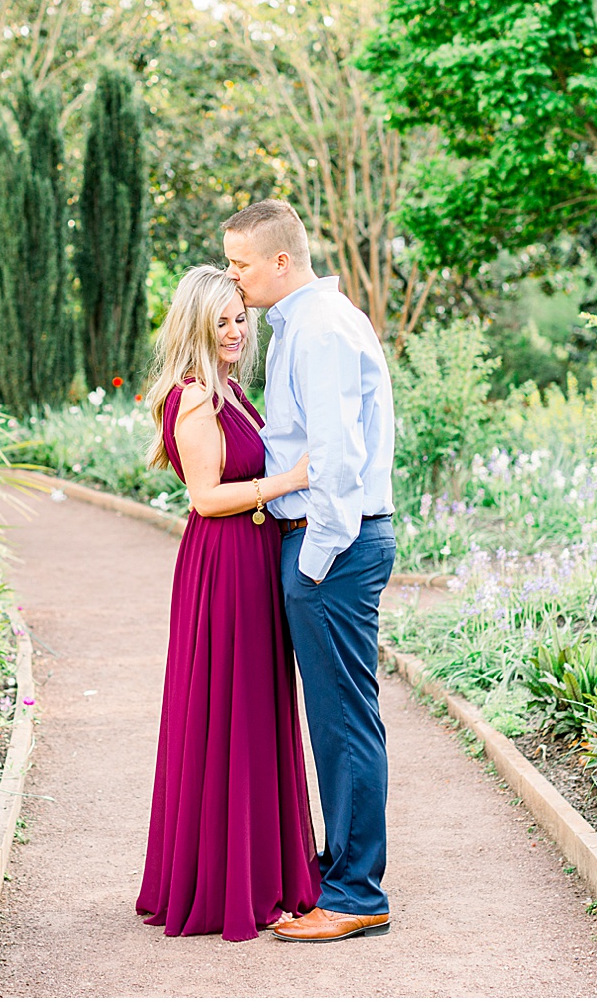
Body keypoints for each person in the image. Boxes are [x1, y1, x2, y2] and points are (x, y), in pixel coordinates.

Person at [222, 200, 398, 943]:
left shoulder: (319, 330)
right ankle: (340, 872)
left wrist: (314, 560)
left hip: (333, 549)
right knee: (335, 721)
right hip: (326, 546)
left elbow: (335, 459)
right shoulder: (305, 324)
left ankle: (356, 893)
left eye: (240, 264)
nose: (234, 279)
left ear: (280, 263)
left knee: (342, 723)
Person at [134, 265, 320, 942]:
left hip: (252, 561)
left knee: (254, 710)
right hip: (223, 566)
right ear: (197, 327)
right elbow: (206, 496)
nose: (237, 329)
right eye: (223, 321)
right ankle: (223, 883)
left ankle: (259, 870)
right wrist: (291, 480)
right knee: (229, 712)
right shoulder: (191, 398)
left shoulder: (231, 389)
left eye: (240, 317)